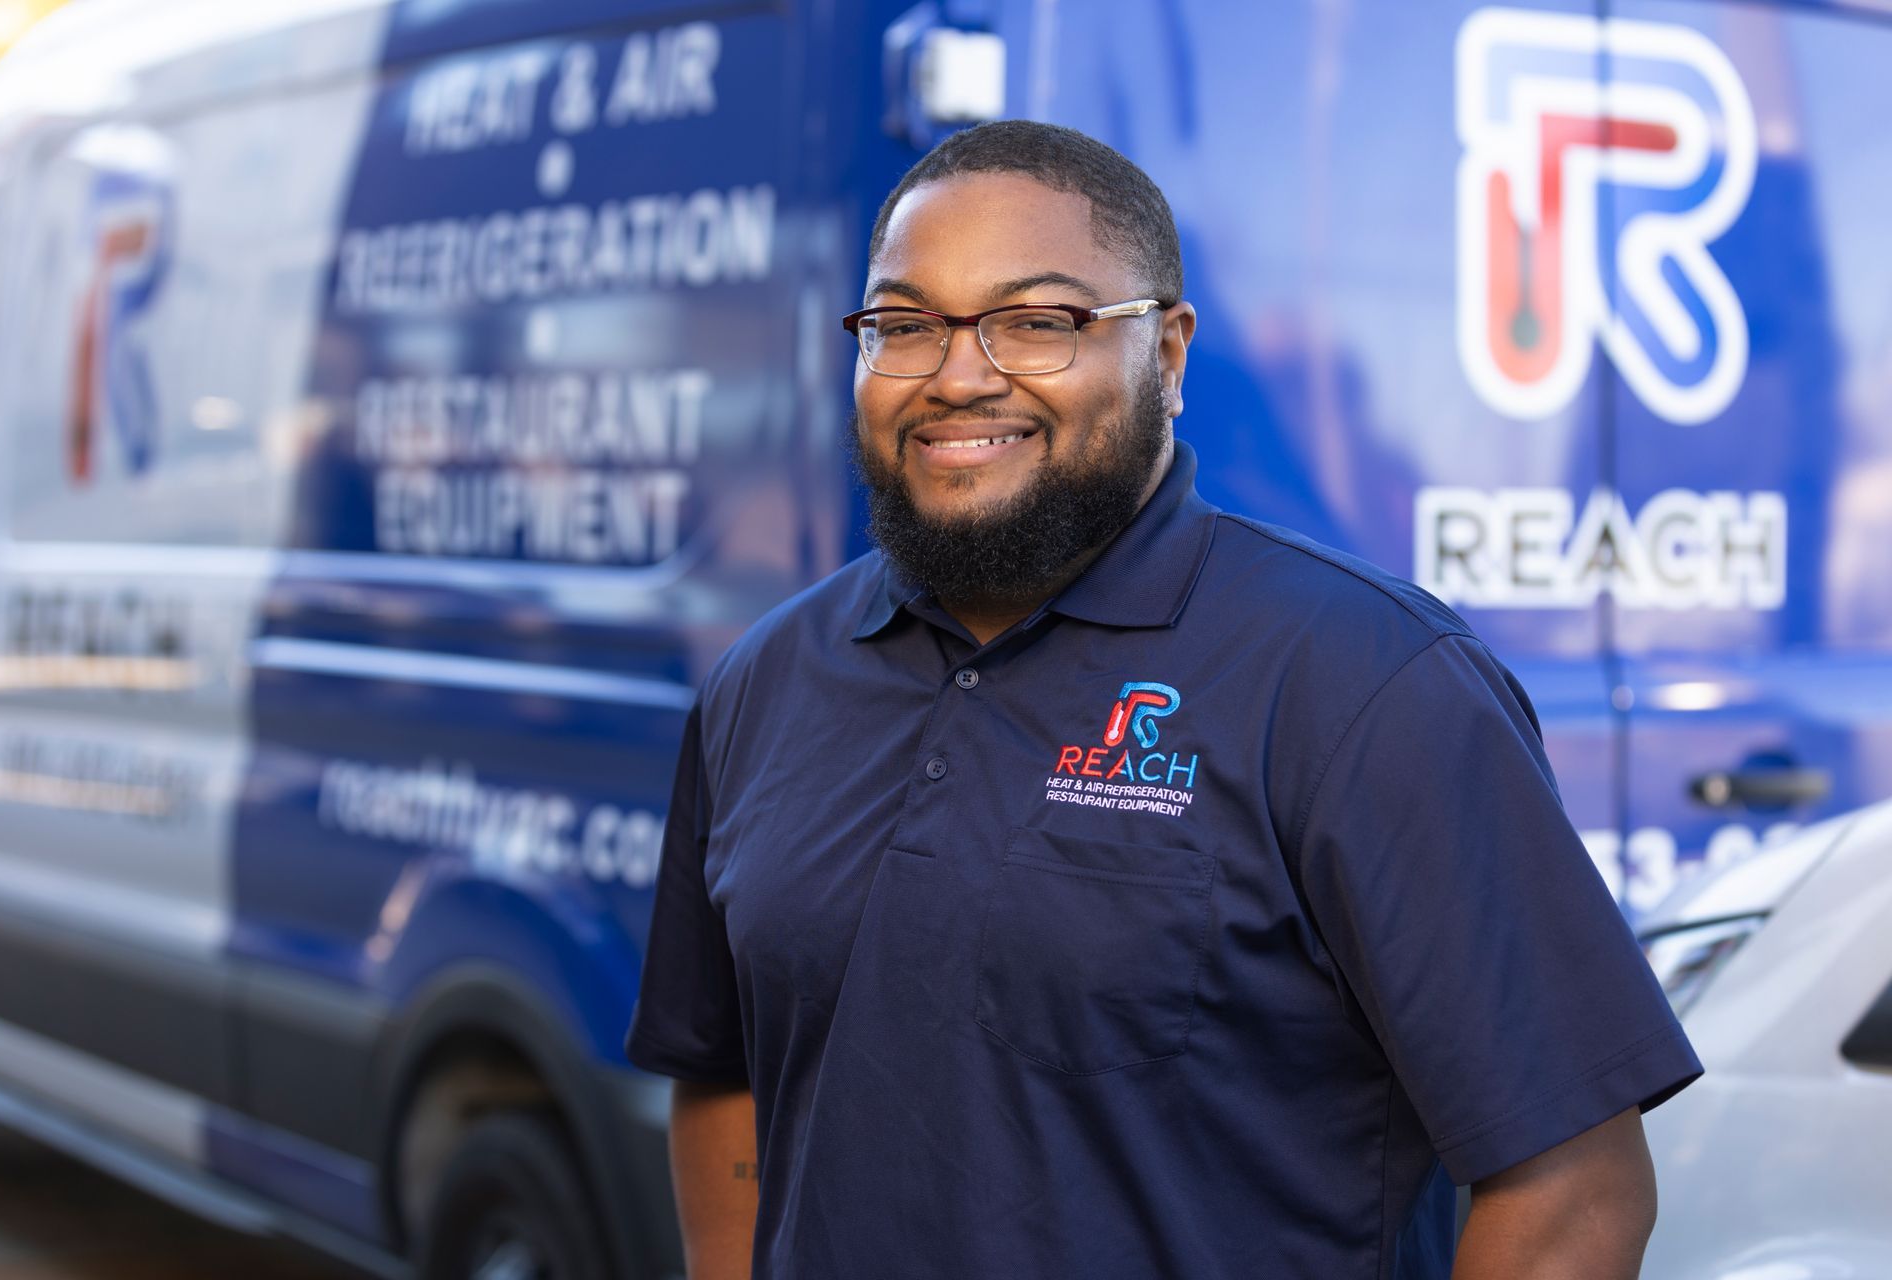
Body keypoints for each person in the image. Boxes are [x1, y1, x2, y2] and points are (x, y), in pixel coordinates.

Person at [625, 119, 1700, 1280]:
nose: (958, 374)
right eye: (903, 324)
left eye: (1040, 320)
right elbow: (725, 1078)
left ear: (1169, 355)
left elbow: (1573, 1187)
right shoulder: (763, 681)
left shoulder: (1365, 681)